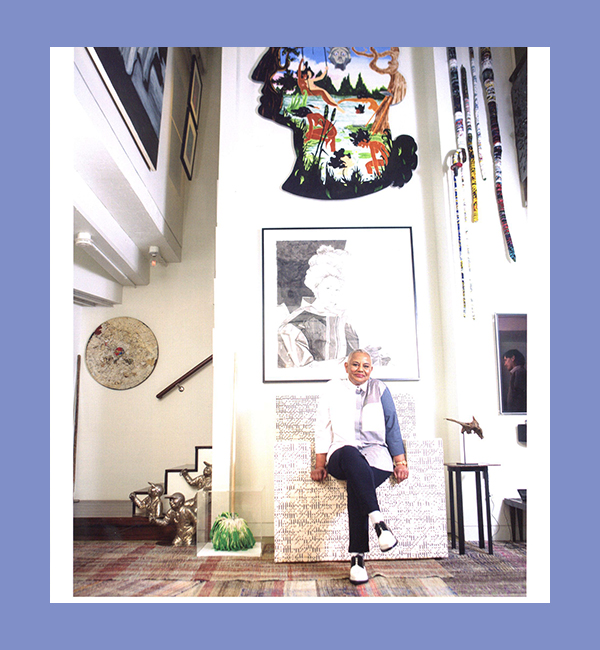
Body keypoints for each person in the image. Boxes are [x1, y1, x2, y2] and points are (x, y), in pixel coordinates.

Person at [311, 349, 408, 584]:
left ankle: (357, 559)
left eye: (365, 366)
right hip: (341, 455)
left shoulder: (380, 389)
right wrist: (320, 464)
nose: (360, 370)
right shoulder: (332, 388)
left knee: (358, 484)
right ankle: (379, 523)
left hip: (376, 456)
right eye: (355, 365)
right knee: (350, 453)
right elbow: (323, 427)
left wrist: (400, 462)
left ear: (371, 369)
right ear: (346, 367)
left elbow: (392, 425)